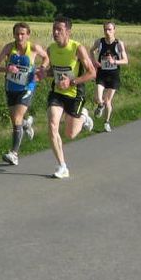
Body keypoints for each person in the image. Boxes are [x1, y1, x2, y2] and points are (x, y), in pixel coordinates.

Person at [37, 16, 97, 179]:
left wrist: (72, 82)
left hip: (75, 94)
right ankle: (62, 166)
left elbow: (92, 73)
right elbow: (52, 71)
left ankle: (84, 116)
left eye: (59, 30)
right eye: (54, 29)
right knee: (52, 123)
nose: (55, 32)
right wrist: (43, 73)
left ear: (68, 32)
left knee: (70, 134)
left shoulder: (77, 48)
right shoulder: (50, 49)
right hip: (57, 93)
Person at [0, 22, 48, 166]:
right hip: (11, 87)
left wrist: (41, 68)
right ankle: (27, 124)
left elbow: (46, 57)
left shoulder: (34, 48)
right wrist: (7, 69)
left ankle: (14, 153)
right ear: (14, 34)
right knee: (16, 121)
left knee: (16, 119)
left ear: (28, 35)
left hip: (27, 87)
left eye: (23, 34)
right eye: (17, 33)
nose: (19, 36)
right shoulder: (9, 47)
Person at [90, 22, 129, 133]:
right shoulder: (99, 42)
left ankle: (106, 122)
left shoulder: (119, 44)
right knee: (98, 98)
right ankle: (100, 105)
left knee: (108, 101)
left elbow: (126, 61)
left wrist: (114, 61)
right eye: (105, 30)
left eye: (110, 29)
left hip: (113, 75)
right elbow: (91, 51)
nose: (107, 32)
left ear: (114, 30)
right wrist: (94, 62)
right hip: (102, 73)